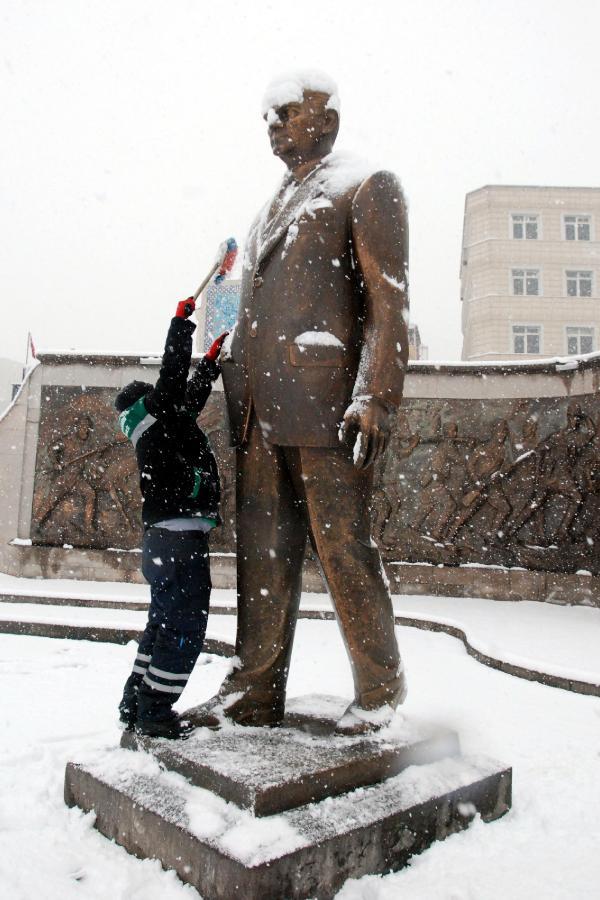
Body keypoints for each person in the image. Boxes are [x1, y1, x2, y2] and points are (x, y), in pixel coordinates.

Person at [187, 71, 409, 736]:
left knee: (344, 550)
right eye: (268, 118)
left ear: (326, 117)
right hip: (257, 409)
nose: (273, 126)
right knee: (263, 556)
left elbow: (389, 302)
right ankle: (255, 689)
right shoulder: (269, 205)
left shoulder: (365, 185)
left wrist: (375, 393)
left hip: (327, 407)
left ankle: (381, 694)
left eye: (286, 113)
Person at [115, 297, 226, 739]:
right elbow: (173, 382)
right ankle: (155, 712)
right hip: (179, 544)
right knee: (184, 628)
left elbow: (186, 400)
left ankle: (134, 702)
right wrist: (182, 326)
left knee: (161, 624)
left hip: (162, 542)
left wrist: (210, 366)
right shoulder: (154, 417)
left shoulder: (155, 427)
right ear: (147, 400)